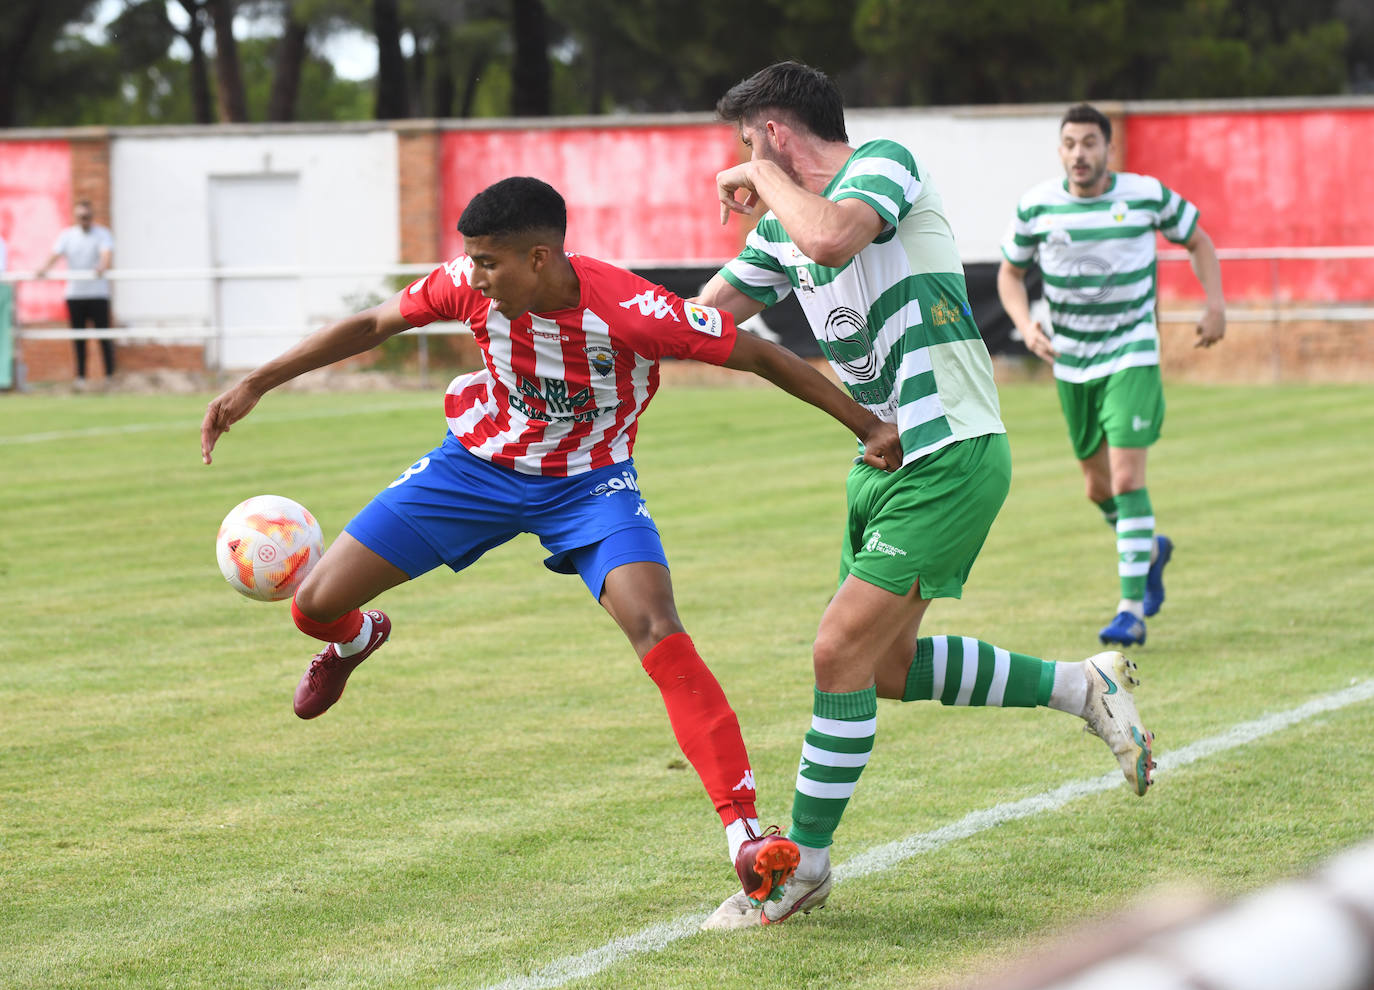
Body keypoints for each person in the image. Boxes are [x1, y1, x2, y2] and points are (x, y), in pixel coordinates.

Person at [200, 175, 905, 908]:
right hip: (474, 468)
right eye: (470, 260)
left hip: (590, 487)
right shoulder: (468, 287)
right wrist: (257, 382)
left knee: (657, 627)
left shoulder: (634, 311)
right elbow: (376, 324)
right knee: (314, 604)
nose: (474, 277)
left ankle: (746, 835)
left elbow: (761, 356)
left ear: (540, 258)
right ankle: (352, 641)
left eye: (489, 263)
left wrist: (867, 425)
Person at [692, 62, 1156, 931]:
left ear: (777, 136)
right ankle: (1081, 688)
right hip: (880, 465)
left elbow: (832, 237)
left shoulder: (885, 166)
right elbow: (701, 315)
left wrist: (759, 177)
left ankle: (806, 865)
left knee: (836, 653)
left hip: (950, 450)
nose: (740, 164)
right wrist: (590, 322)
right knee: (885, 669)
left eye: (747, 145)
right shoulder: (782, 230)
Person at [997, 103, 1226, 647]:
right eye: (1070, 144)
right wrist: (1025, 325)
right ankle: (1147, 548)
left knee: (1126, 480)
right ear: (1061, 151)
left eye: (1090, 144)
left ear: (1108, 149)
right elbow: (1010, 271)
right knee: (1097, 488)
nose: (1080, 154)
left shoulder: (1144, 195)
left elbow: (1198, 239)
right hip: (1072, 362)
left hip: (1131, 354)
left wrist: (1214, 302)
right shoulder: (1037, 208)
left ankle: (1129, 610)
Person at [37, 199, 117, 387]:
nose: (84, 220)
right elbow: (55, 255)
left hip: (98, 294)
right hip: (75, 294)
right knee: (78, 337)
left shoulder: (102, 234)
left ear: (92, 216)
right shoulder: (67, 236)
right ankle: (81, 378)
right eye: (81, 217)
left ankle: (109, 377)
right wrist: (42, 270)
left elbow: (106, 255)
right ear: (75, 217)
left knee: (104, 336)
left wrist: (102, 267)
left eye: (87, 217)